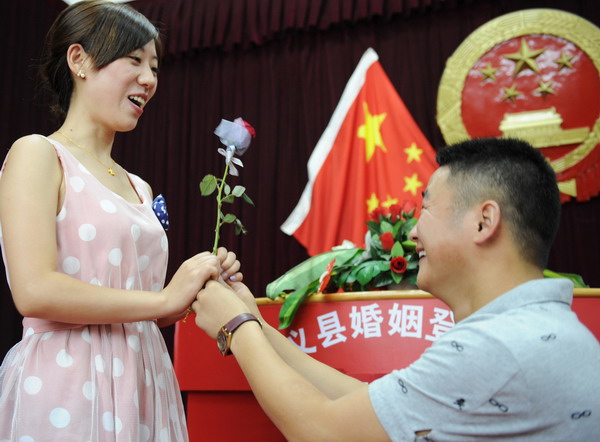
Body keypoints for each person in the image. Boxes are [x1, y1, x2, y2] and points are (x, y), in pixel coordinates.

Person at [192, 137, 600, 441]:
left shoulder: (496, 347)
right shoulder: (543, 330)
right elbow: (370, 403)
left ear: (483, 221)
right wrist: (257, 323)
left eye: (426, 207)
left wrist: (236, 327)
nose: (415, 230)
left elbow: (321, 430)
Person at [0, 1, 241, 440]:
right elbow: (34, 290)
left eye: (154, 66)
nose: (149, 79)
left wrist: (196, 285)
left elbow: (142, 302)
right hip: (70, 378)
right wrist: (164, 301)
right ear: (80, 61)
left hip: (144, 376)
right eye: (134, 60)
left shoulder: (139, 187)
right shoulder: (38, 154)